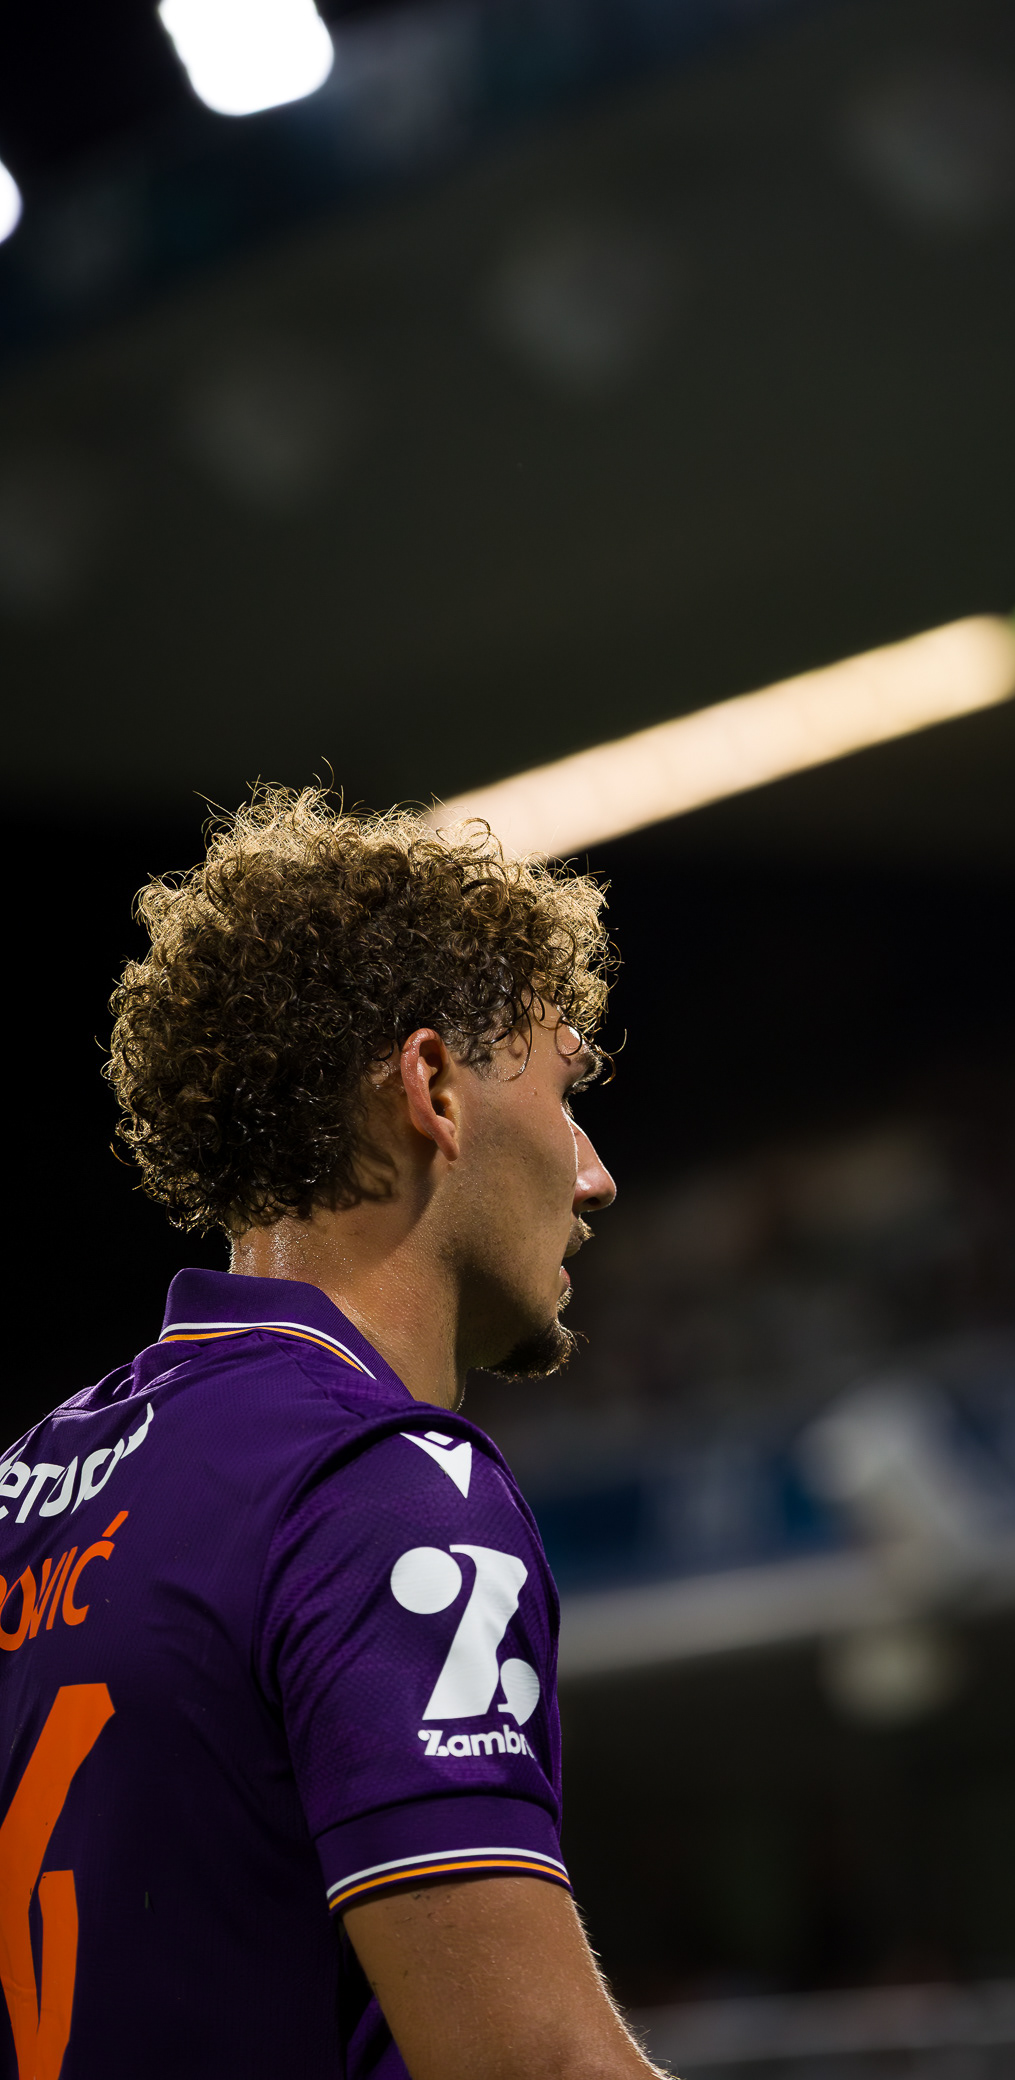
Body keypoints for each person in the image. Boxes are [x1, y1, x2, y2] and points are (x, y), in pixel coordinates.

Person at [0, 787, 669, 2080]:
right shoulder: (384, 1483)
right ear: (433, 1088)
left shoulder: (29, 1481)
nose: (594, 1173)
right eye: (564, 1087)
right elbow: (531, 2066)